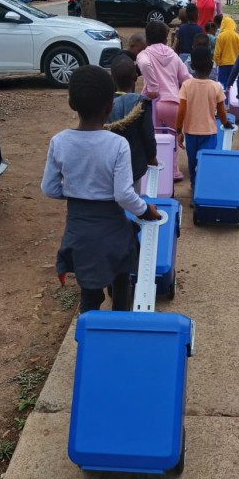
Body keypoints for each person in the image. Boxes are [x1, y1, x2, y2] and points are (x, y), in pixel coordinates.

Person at [41, 65, 160, 314]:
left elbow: (49, 188)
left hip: (79, 231)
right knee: (121, 283)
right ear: (109, 107)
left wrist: (75, 192)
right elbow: (123, 194)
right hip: (112, 230)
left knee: (89, 295)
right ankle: (119, 324)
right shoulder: (117, 144)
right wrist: (145, 210)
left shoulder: (59, 142)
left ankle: (89, 334)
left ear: (71, 104)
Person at [136, 20, 190, 181]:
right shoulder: (173, 55)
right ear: (166, 38)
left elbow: (144, 64)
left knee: (155, 139)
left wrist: (153, 87)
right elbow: (185, 77)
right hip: (173, 103)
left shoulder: (145, 54)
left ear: (147, 38)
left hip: (153, 104)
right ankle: (174, 172)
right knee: (173, 139)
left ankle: (157, 172)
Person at [176, 46, 232, 189]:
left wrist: (178, 130)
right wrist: (225, 123)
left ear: (192, 66)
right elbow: (221, 111)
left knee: (192, 161)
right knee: (206, 161)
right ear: (211, 65)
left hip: (190, 133)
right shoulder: (216, 86)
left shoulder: (186, 85)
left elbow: (181, 110)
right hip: (209, 133)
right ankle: (204, 187)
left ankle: (194, 185)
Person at [108, 54, 157, 193]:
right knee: (133, 197)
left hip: (109, 165)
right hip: (134, 164)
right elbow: (148, 135)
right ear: (136, 77)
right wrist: (152, 156)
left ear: (112, 78)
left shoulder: (105, 104)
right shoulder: (141, 103)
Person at [213, 15, 239, 90]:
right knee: (233, 85)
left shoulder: (220, 36)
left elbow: (217, 53)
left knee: (222, 85)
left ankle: (223, 97)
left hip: (223, 65)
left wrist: (217, 62)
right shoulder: (237, 36)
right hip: (235, 64)